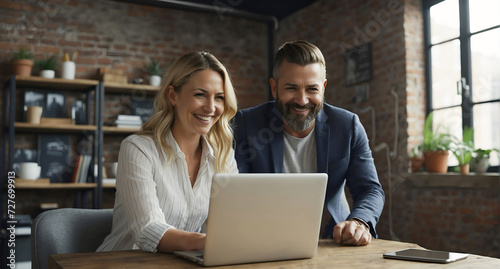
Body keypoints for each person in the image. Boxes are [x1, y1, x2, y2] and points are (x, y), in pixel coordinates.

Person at [233, 40, 385, 246]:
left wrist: (358, 221)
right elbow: (234, 190)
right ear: (274, 87)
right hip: (264, 239)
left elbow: (370, 189)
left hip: (334, 239)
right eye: (291, 88)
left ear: (323, 88)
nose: (302, 100)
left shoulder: (347, 125)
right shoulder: (246, 124)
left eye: (312, 89)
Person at [98, 51, 238, 253]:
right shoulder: (138, 149)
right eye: (200, 94)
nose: (211, 107)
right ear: (173, 95)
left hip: (178, 267)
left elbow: (231, 221)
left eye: (219, 98)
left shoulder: (223, 156)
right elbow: (148, 229)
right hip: (121, 266)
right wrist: (204, 242)